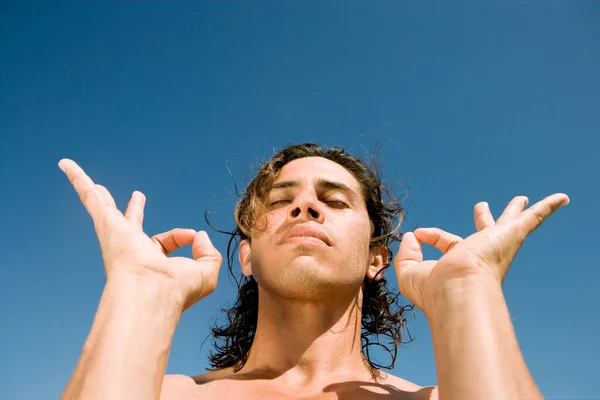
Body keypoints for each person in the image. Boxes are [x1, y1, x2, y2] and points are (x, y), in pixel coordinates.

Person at [58, 143, 568, 399]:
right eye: (282, 200)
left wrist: (467, 290)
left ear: (375, 259)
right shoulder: (161, 392)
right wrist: (141, 290)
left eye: (333, 200)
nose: (305, 206)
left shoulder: (452, 394)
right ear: (247, 256)